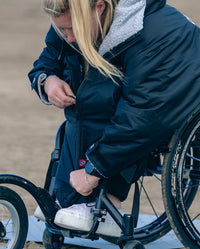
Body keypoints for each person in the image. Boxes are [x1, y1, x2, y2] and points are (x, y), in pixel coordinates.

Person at [29, 0, 200, 236]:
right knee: (88, 96)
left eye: (71, 30)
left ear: (99, 7)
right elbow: (47, 61)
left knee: (102, 95)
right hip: (142, 104)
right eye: (62, 30)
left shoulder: (154, 33)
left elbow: (143, 117)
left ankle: (108, 205)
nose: (68, 38)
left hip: (177, 101)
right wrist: (48, 80)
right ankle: (68, 198)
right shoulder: (76, 19)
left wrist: (93, 171)